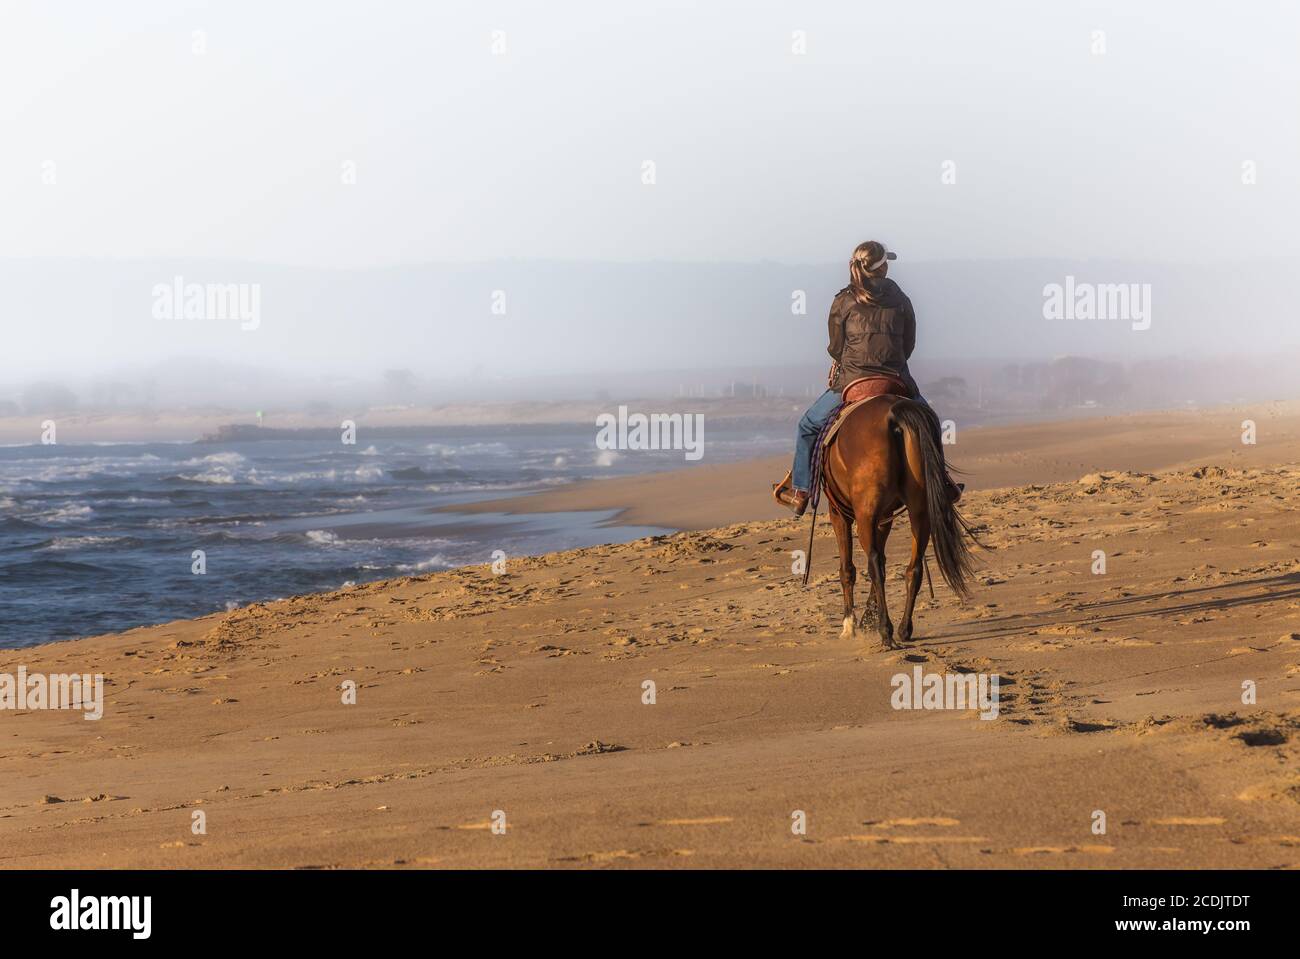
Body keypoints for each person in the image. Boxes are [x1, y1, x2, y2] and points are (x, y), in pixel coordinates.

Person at [774, 240, 960, 516]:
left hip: (851, 380)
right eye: (886, 262)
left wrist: (843, 363)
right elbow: (909, 345)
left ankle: (801, 491)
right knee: (929, 422)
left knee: (808, 426)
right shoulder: (902, 299)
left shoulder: (843, 300)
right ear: (882, 267)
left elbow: (835, 347)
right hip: (896, 379)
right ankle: (943, 483)